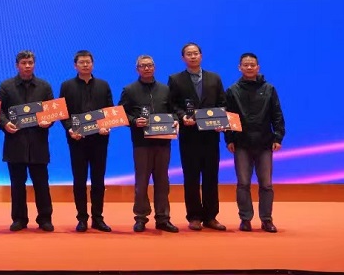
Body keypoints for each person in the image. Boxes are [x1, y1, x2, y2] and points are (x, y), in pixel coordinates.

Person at [168, 43, 227, 231]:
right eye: (189, 54)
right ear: (183, 58)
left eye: (195, 53)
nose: (193, 56)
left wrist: (220, 121)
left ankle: (211, 216)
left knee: (211, 176)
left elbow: (222, 103)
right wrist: (181, 117)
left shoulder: (214, 78)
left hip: (210, 136)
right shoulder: (175, 79)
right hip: (189, 135)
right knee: (191, 177)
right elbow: (172, 105)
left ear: (201, 55)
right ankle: (194, 216)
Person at [224, 52, 285, 233]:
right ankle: (245, 219)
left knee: (266, 184)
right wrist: (229, 139)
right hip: (241, 143)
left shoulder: (269, 89)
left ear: (258, 67)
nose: (249, 67)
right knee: (243, 184)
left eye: (252, 65)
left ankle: (266, 220)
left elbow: (277, 114)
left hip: (265, 142)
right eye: (246, 65)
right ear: (239, 68)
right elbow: (229, 117)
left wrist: (278, 137)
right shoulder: (232, 90)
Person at [0, 50, 55, 232]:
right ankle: (19, 219)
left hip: (38, 142)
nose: (27, 66)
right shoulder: (6, 86)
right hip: (15, 142)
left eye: (30, 63)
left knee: (41, 184)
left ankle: (45, 218)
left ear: (34, 64)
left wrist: (49, 121)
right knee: (17, 185)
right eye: (24, 63)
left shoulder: (44, 86)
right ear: (17, 65)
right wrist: (5, 124)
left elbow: (52, 111)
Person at [119, 55, 179, 233]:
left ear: (154, 67)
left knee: (163, 182)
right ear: (137, 69)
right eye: (143, 66)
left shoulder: (165, 89)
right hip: (141, 143)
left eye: (150, 65)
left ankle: (163, 218)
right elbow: (121, 113)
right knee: (141, 182)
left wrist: (176, 120)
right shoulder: (129, 90)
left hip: (163, 142)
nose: (147, 68)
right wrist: (133, 121)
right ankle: (140, 218)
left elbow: (174, 111)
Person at [59, 50, 113, 233]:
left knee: (99, 180)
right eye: (81, 62)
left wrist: (107, 125)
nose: (85, 65)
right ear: (75, 65)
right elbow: (63, 113)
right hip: (77, 140)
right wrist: (70, 129)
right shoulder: (67, 86)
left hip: (99, 139)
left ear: (93, 64)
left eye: (88, 62)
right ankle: (82, 218)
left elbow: (110, 111)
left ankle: (98, 218)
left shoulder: (103, 85)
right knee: (79, 180)